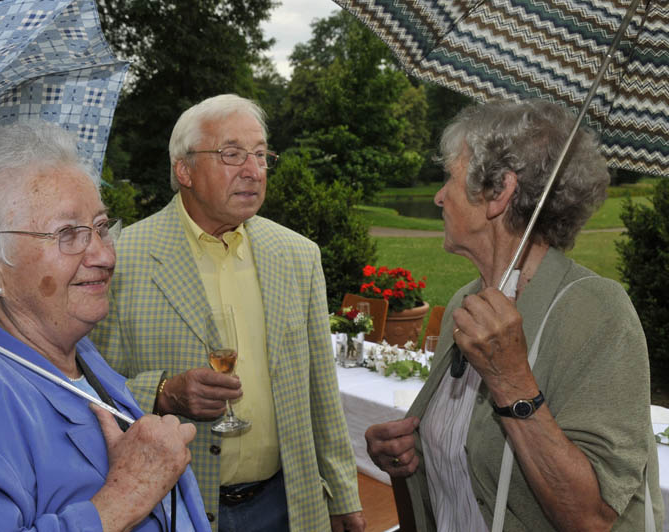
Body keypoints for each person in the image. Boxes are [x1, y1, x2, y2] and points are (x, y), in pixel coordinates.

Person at [0, 122, 211, 531]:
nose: (104, 256)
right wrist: (127, 496)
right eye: (68, 234)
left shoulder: (72, 348)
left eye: (101, 228)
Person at [365, 99, 663, 531]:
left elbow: (591, 517)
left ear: (499, 192)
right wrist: (407, 458)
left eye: (450, 177)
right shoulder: (466, 304)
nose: (439, 196)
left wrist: (509, 380)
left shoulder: (597, 311)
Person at [91, 94, 365, 532]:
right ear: (184, 170)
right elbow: (92, 390)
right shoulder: (120, 260)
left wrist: (343, 494)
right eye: (232, 154)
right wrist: (162, 392)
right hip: (175, 508)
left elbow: (321, 390)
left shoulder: (298, 255)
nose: (254, 170)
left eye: (261, 155)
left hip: (285, 505)